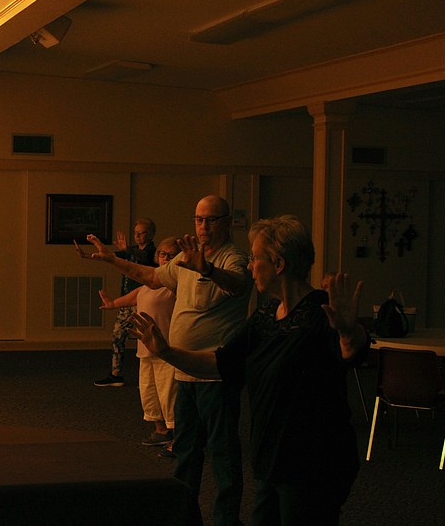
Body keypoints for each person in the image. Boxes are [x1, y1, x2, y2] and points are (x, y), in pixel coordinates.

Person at [129, 215, 369, 526]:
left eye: (255, 258)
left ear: (279, 264)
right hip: (272, 459)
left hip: (313, 463)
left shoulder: (322, 312)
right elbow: (220, 363)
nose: (250, 266)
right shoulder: (266, 315)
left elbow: (350, 353)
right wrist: (166, 352)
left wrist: (350, 332)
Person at [76, 195, 251, 526]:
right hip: (183, 372)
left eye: (211, 220)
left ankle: (227, 520)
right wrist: (113, 260)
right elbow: (153, 277)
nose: (203, 226)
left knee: (224, 455)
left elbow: (239, 285)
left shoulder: (233, 258)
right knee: (185, 452)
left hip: (216, 375)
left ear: (227, 222)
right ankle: (183, 517)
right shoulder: (185, 258)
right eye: (199, 219)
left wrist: (209, 270)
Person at [98, 237, 178, 447]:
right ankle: (160, 430)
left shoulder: (176, 283)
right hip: (145, 348)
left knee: (168, 393)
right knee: (149, 391)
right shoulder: (150, 282)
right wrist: (113, 303)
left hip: (166, 349)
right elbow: (136, 295)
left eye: (171, 255)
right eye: (162, 254)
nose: (165, 258)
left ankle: (176, 436)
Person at [92, 217, 157, 387]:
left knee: (146, 339)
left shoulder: (152, 252)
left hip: (143, 301)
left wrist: (127, 250)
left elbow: (142, 256)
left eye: (141, 234)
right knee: (118, 336)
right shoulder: (132, 251)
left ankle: (151, 376)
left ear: (150, 235)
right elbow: (112, 256)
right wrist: (91, 254)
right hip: (128, 301)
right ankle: (116, 374)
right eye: (136, 233)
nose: (138, 237)